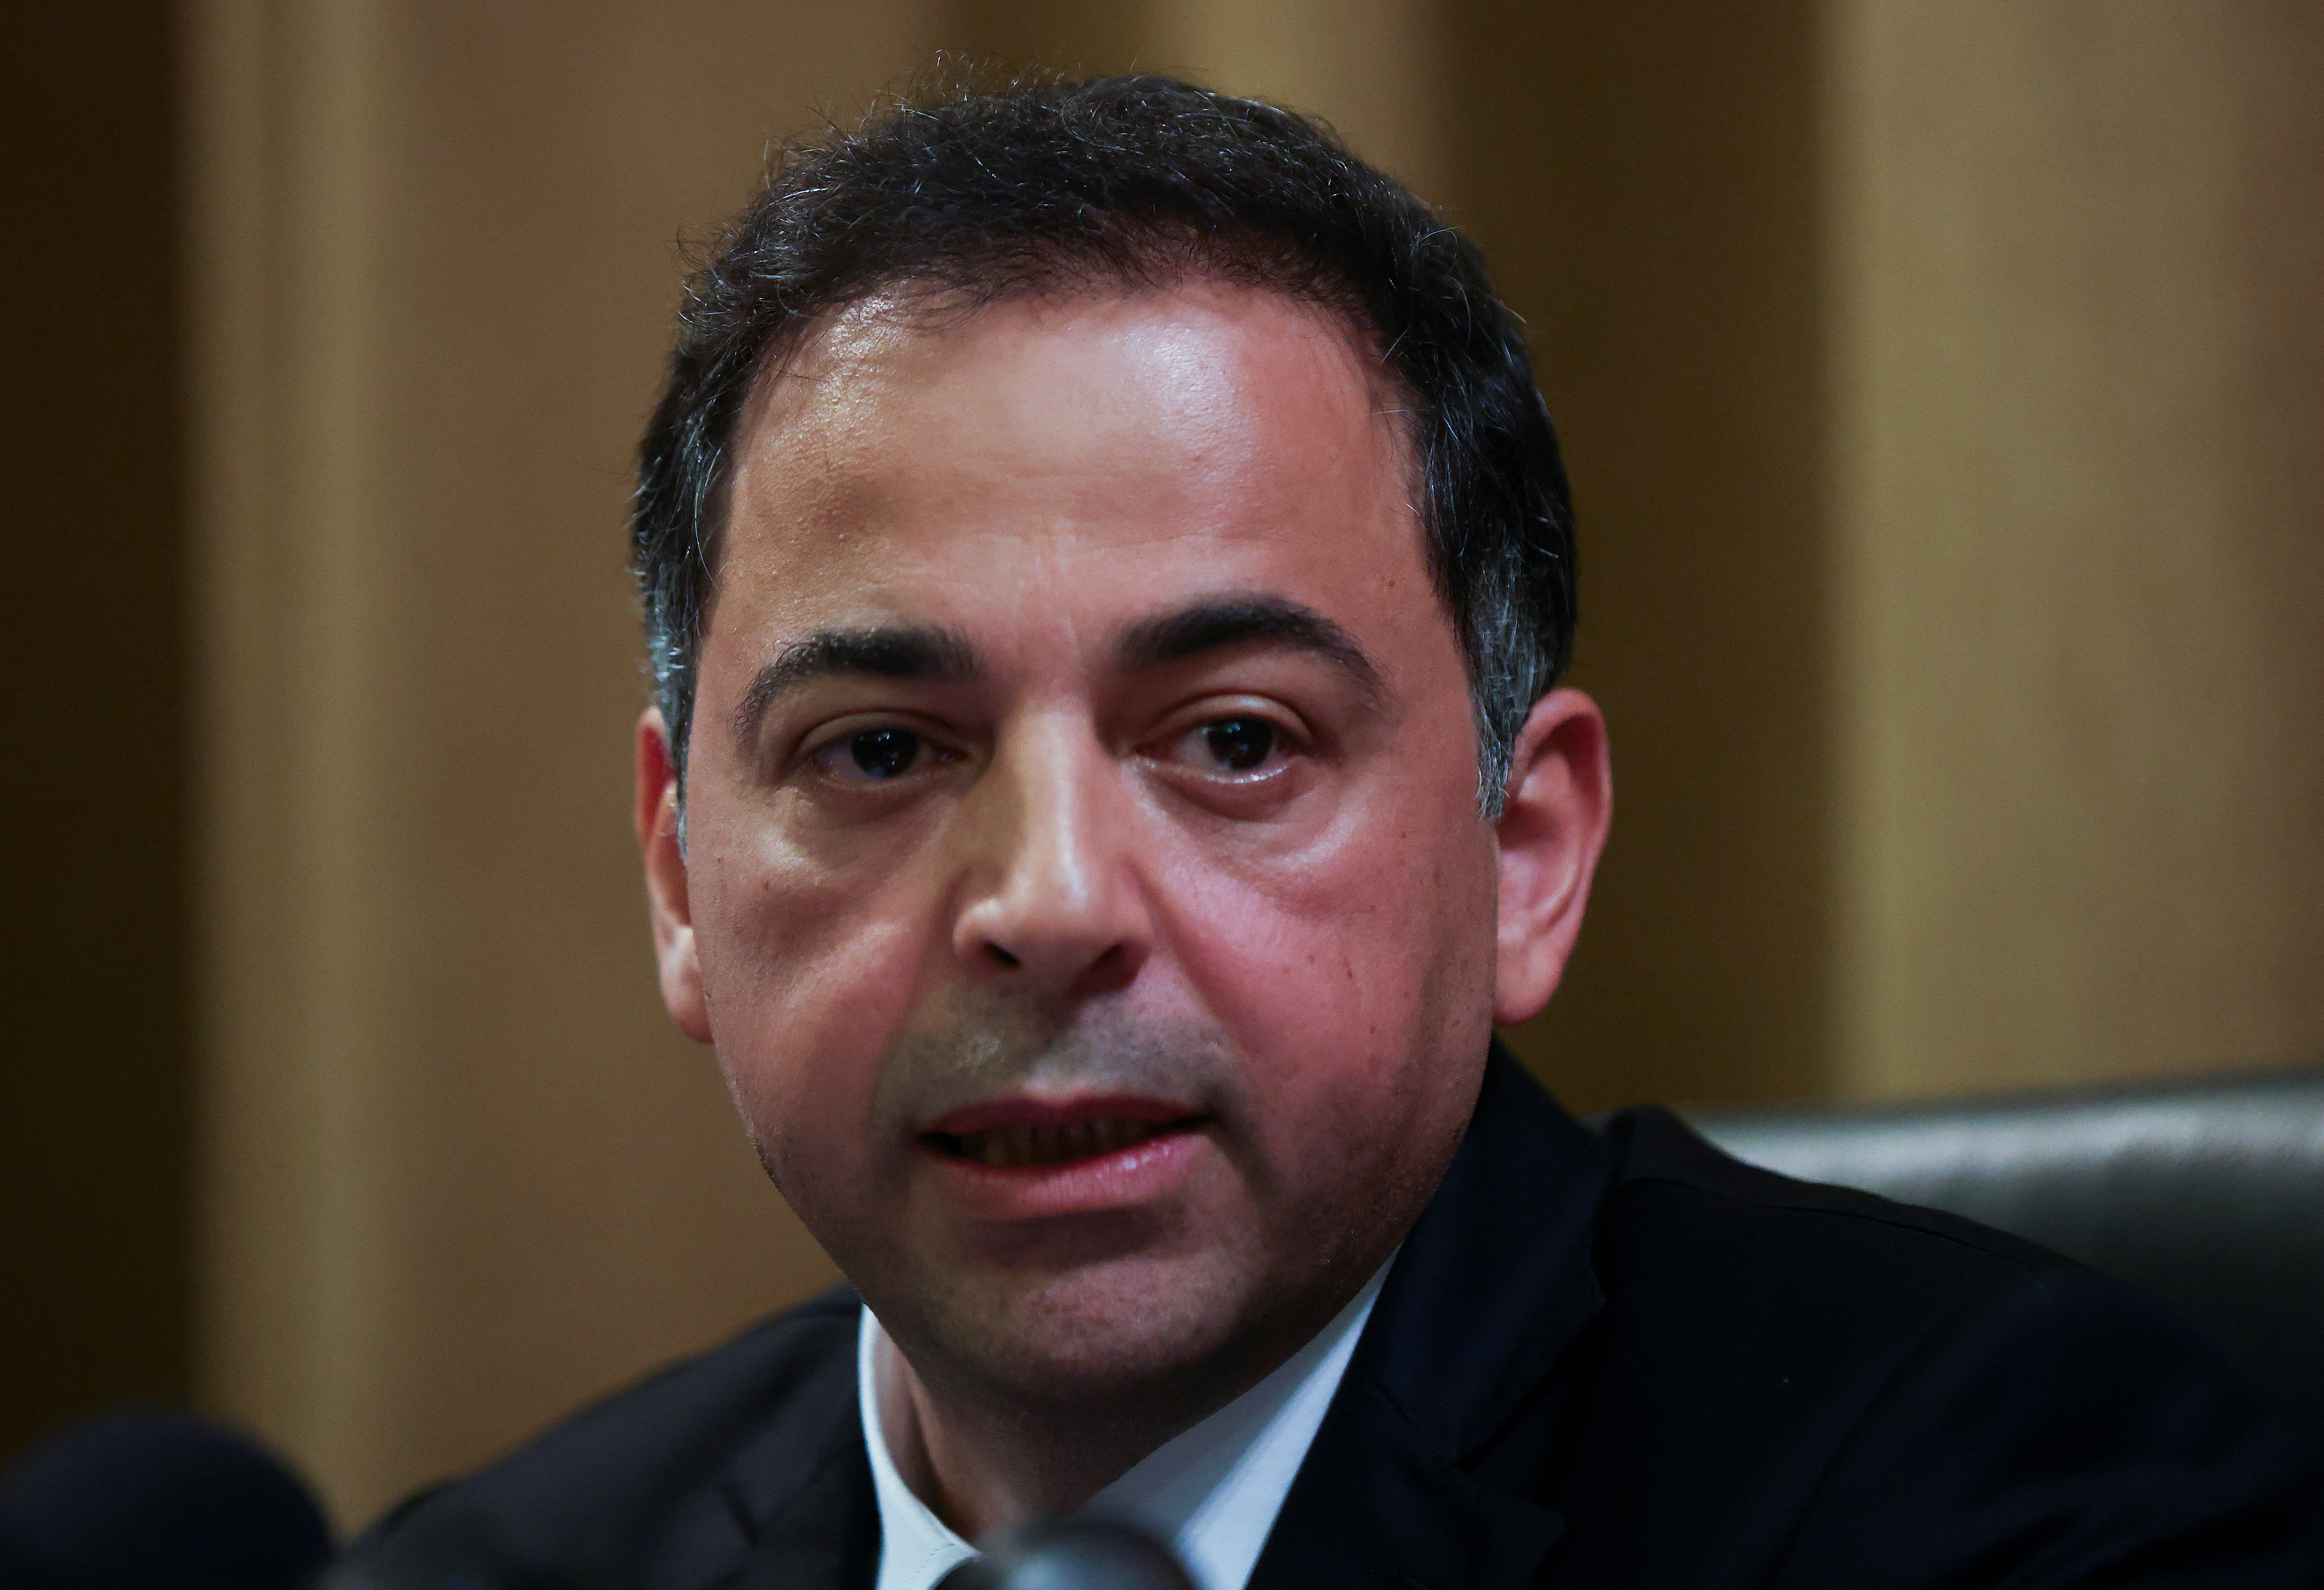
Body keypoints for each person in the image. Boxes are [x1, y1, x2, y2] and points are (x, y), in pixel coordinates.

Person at [356, 76, 2324, 1589]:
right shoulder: (494, 1568)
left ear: (1525, 853)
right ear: (680, 876)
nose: (1045, 906)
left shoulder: (2012, 1507)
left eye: (1229, 738)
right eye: (880, 752)